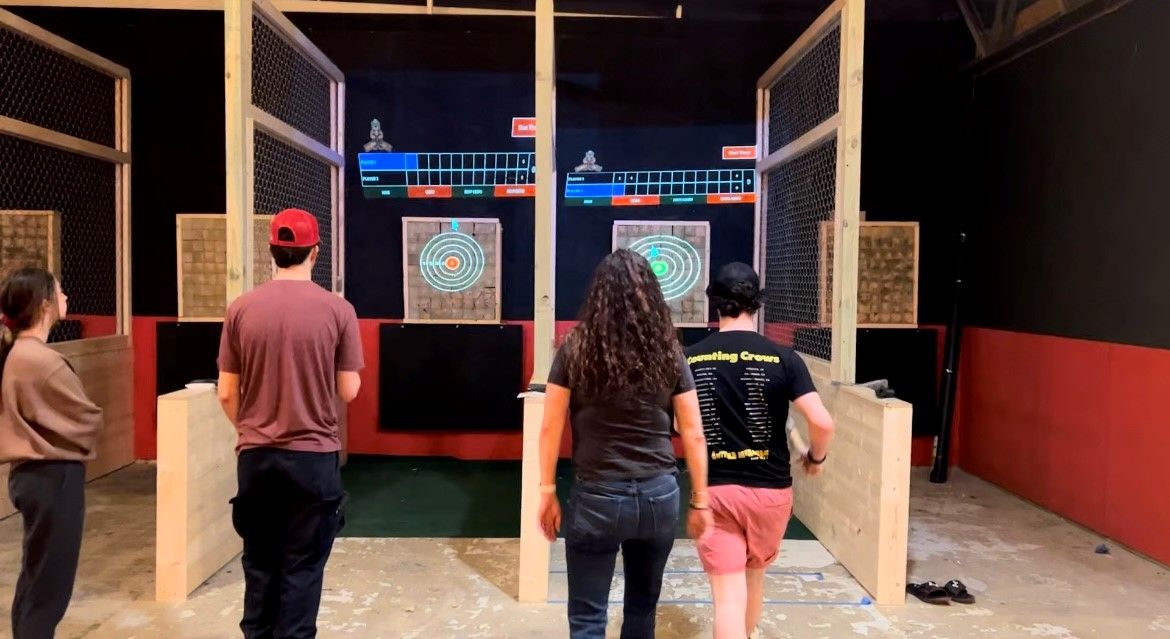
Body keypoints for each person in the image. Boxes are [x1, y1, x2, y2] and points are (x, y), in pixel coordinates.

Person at [536, 248, 714, 639]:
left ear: (598, 294)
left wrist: (547, 491)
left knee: (587, 617)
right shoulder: (669, 351)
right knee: (641, 609)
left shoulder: (575, 348)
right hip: (658, 495)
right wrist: (700, 500)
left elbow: (550, 426)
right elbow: (694, 432)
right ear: (652, 294)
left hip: (597, 495)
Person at [217, 208, 364, 639]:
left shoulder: (241, 308)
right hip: (313, 459)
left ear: (272, 251)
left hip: (256, 457)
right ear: (314, 252)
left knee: (260, 563)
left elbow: (227, 392)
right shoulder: (338, 310)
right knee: (302, 567)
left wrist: (249, 428)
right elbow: (350, 390)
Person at [684, 263, 835, 639]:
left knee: (727, 599)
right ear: (758, 302)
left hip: (715, 491)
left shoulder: (690, 358)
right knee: (753, 579)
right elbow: (823, 423)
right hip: (770, 493)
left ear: (714, 303)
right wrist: (815, 457)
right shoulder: (785, 359)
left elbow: (680, 426)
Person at [0, 267, 103, 639]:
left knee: (35, 577)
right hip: (52, 475)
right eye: (60, 292)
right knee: (50, 589)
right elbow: (88, 417)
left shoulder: (21, 354)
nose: (66, 298)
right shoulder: (40, 361)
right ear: (44, 305)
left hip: (33, 475)